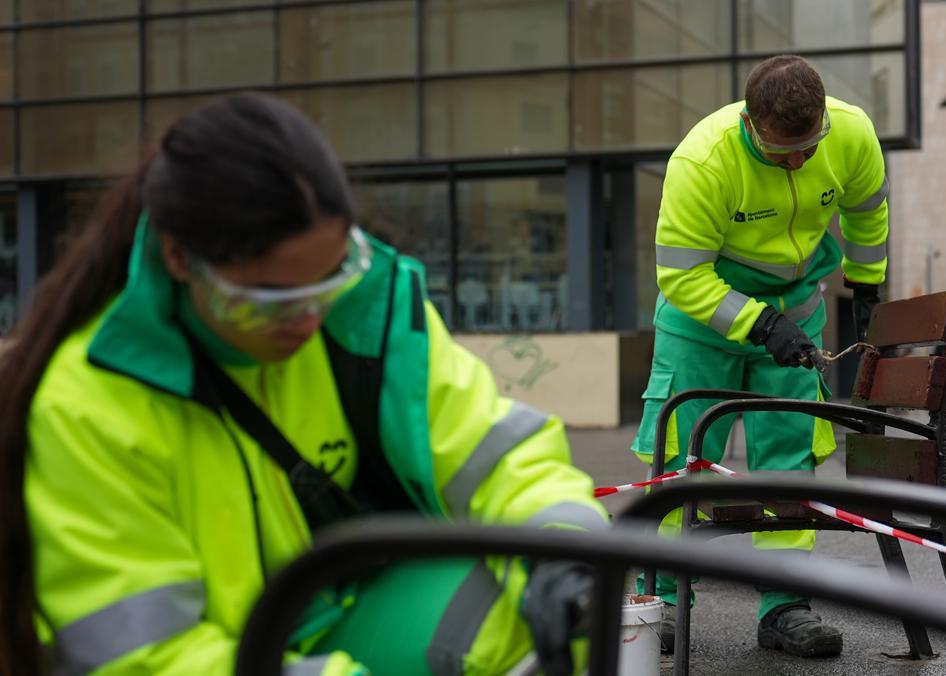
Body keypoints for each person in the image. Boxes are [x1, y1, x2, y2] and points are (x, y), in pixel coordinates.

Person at [0, 94, 607, 676]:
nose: (308, 321)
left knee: (554, 621)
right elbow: (147, 660)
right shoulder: (89, 405)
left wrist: (564, 555)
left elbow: (497, 455)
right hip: (226, 656)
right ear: (180, 260)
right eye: (266, 300)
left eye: (326, 283)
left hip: (331, 612)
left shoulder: (360, 318)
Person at [630, 54, 891, 659]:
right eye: (783, 154)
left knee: (788, 459)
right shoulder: (703, 161)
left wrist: (867, 283)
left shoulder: (851, 134)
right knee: (683, 456)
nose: (798, 161)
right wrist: (757, 321)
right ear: (751, 124)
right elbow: (682, 277)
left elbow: (866, 210)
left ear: (825, 120)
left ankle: (785, 605)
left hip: (795, 321)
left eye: (809, 146)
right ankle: (665, 596)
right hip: (703, 326)